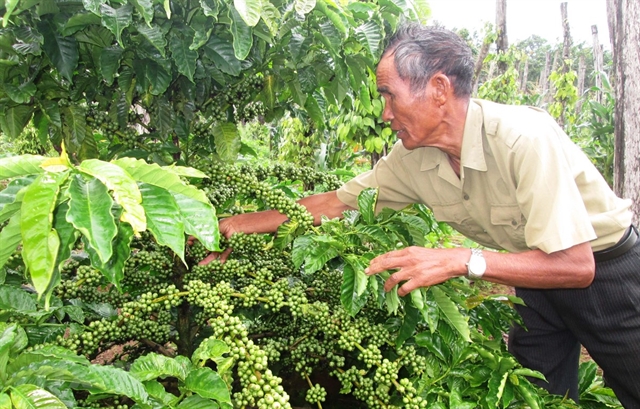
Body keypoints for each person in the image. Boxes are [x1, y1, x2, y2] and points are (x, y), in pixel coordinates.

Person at [201, 23, 640, 407]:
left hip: (608, 276)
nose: (385, 114)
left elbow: (576, 266)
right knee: (538, 398)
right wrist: (235, 228)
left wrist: (459, 260)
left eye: (390, 96)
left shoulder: (521, 139)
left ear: (439, 89)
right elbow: (334, 203)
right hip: (530, 273)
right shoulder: (412, 158)